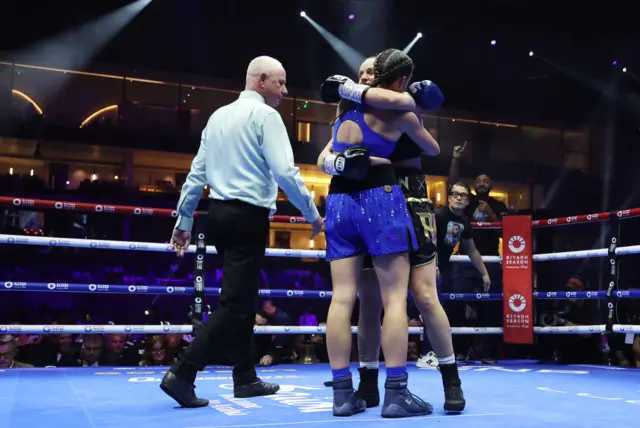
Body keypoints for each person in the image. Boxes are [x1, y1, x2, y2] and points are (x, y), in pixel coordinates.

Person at [161, 55, 324, 408]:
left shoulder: (218, 116)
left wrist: (184, 221)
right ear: (261, 80)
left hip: (217, 215)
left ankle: (245, 376)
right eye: (280, 83)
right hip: (247, 216)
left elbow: (196, 175)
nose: (284, 90)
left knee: (243, 297)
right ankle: (183, 372)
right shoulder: (266, 116)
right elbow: (285, 172)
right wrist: (312, 214)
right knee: (235, 305)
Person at [321, 57, 467, 413]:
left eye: (370, 72)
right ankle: (375, 387)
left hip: (400, 200)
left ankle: (451, 383)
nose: (364, 76)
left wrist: (349, 87)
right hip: (379, 199)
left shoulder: (397, 102)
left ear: (382, 77)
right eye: (359, 74)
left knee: (424, 296)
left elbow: (430, 146)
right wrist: (337, 162)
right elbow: (324, 154)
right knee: (375, 302)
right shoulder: (365, 106)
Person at [448, 143, 508, 361]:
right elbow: (453, 184)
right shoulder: (468, 200)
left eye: (486, 181)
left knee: (491, 306)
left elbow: (508, 234)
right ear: (475, 184)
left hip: (490, 260)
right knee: (456, 301)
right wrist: (455, 159)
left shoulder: (499, 205)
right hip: (465, 260)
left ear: (491, 184)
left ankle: (487, 351)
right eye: (479, 181)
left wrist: (492, 215)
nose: (482, 183)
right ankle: (459, 349)